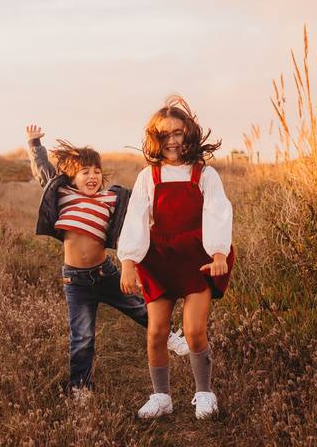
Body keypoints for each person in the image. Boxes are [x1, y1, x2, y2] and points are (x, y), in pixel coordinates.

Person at [25, 125, 189, 396]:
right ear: (72, 177)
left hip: (106, 274)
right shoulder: (64, 194)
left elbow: (143, 204)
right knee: (82, 337)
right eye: (85, 172)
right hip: (75, 281)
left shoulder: (111, 198)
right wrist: (34, 144)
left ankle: (171, 336)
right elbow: (43, 172)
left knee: (140, 308)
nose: (92, 176)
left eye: (96, 171)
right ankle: (81, 388)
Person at [117, 96, 234, 419]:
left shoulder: (204, 175)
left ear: (189, 133)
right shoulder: (149, 176)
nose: (171, 141)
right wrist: (128, 261)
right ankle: (161, 397)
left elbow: (218, 213)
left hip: (197, 258)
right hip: (158, 259)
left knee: (194, 330)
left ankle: (205, 393)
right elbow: (136, 218)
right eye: (164, 134)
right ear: (155, 138)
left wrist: (219, 253)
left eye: (178, 133)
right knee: (156, 331)